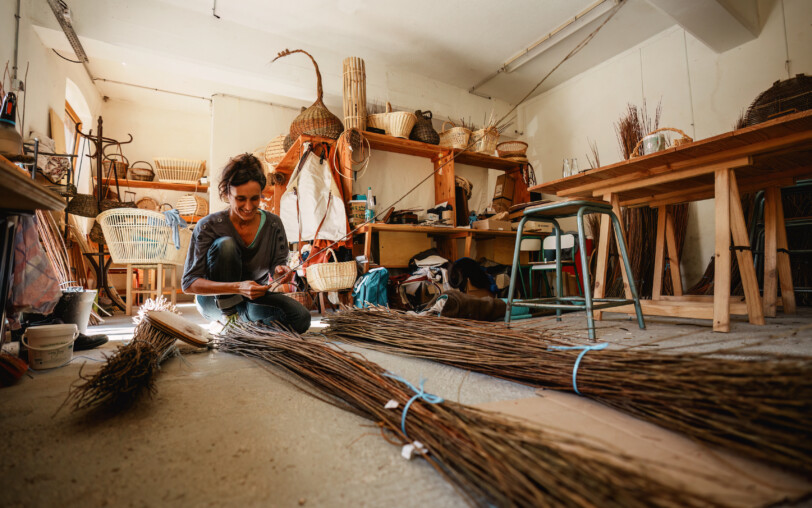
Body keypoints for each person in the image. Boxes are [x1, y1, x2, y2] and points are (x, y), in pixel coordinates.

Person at [182, 153, 310, 333]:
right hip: (215, 302)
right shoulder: (208, 226)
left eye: (255, 198)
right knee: (226, 245)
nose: (249, 207)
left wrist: (281, 271)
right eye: (240, 199)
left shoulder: (273, 224)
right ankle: (229, 319)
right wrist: (238, 287)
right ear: (227, 194)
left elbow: (277, 267)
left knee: (301, 317)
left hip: (252, 299)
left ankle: (241, 323)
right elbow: (189, 283)